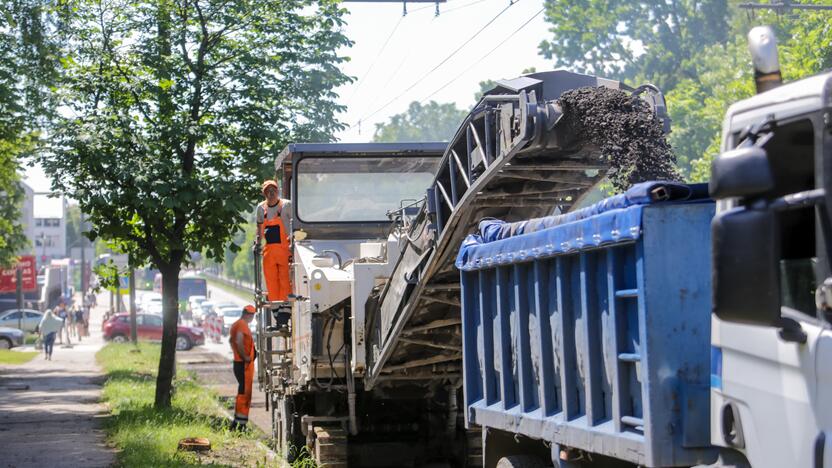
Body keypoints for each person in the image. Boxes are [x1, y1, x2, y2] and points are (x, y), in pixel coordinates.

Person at [256, 180, 292, 302]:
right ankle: (275, 306)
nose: (271, 193)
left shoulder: (287, 205)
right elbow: (259, 227)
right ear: (264, 193)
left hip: (286, 250)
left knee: (285, 279)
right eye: (268, 191)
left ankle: (285, 306)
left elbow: (295, 225)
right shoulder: (261, 208)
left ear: (278, 191)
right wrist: (257, 243)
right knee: (271, 280)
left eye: (273, 190)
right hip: (269, 252)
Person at [229, 304, 257, 430]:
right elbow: (238, 341)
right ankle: (240, 424)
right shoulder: (241, 325)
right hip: (243, 364)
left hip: (241, 363)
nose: (252, 317)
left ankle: (238, 421)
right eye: (252, 315)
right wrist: (244, 356)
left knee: (243, 392)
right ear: (247, 314)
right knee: (244, 394)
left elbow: (232, 341)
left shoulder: (237, 324)